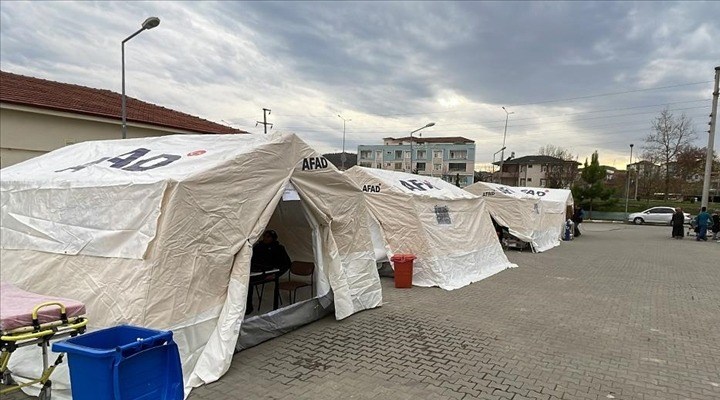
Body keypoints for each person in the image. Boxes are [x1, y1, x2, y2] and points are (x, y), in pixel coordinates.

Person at [246, 230, 292, 314]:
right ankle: (246, 307)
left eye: (268, 237)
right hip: (256, 271)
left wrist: (276, 275)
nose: (265, 238)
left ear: (273, 238)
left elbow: (286, 264)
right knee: (244, 283)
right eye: (264, 236)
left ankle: (248, 308)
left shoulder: (279, 248)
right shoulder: (258, 247)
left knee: (249, 284)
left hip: (269, 273)